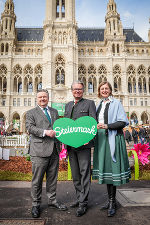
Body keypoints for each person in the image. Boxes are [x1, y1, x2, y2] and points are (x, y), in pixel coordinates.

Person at [26, 89, 67, 218]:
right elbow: (30, 128)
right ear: (36, 99)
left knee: (52, 179)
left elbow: (59, 128)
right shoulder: (31, 113)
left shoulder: (54, 111)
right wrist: (45, 132)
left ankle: (52, 200)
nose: (42, 99)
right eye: (40, 97)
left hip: (54, 150)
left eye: (44, 97)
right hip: (39, 151)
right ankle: (35, 204)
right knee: (37, 180)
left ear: (48, 98)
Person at [92, 81, 131, 217]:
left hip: (113, 138)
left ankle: (112, 202)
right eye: (102, 89)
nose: (104, 90)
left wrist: (107, 126)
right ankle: (110, 200)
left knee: (112, 171)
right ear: (99, 91)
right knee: (106, 171)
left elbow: (122, 122)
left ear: (110, 90)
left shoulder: (116, 103)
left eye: (106, 88)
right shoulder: (99, 104)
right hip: (101, 139)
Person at [64, 80, 96, 217]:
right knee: (76, 175)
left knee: (85, 174)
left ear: (83, 91)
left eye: (80, 89)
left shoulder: (89, 104)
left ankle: (83, 202)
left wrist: (89, 138)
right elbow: (66, 126)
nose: (77, 91)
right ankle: (79, 197)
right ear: (72, 91)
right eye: (75, 89)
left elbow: (93, 123)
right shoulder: (68, 105)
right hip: (71, 146)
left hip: (84, 146)